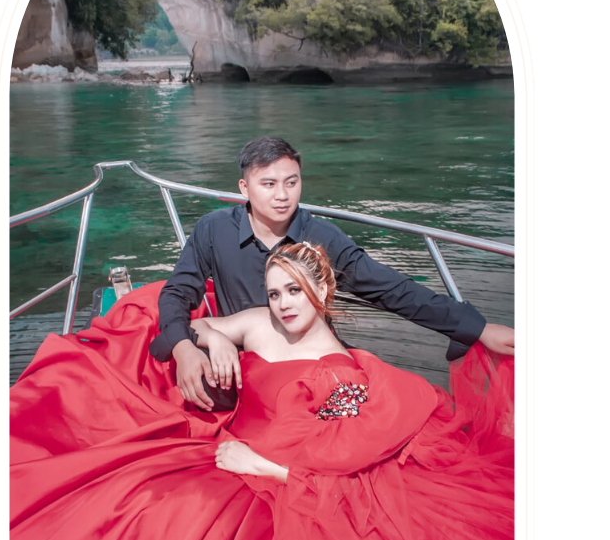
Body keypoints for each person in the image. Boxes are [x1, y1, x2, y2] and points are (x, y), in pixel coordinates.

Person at [10, 243, 514, 540]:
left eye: (295, 290)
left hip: (269, 471)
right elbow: (204, 327)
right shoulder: (258, 322)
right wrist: (213, 340)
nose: (284, 304)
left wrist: (263, 467)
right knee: (126, 493)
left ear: (323, 290)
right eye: (275, 293)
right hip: (229, 445)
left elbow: (344, 467)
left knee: (179, 527)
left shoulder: (339, 373)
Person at [150, 136, 515, 411]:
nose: (282, 195)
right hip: (243, 364)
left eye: (291, 182)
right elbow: (178, 292)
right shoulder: (214, 229)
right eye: (269, 184)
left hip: (311, 364)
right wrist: (185, 348)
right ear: (244, 188)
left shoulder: (321, 235)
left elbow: (389, 288)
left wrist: (477, 328)